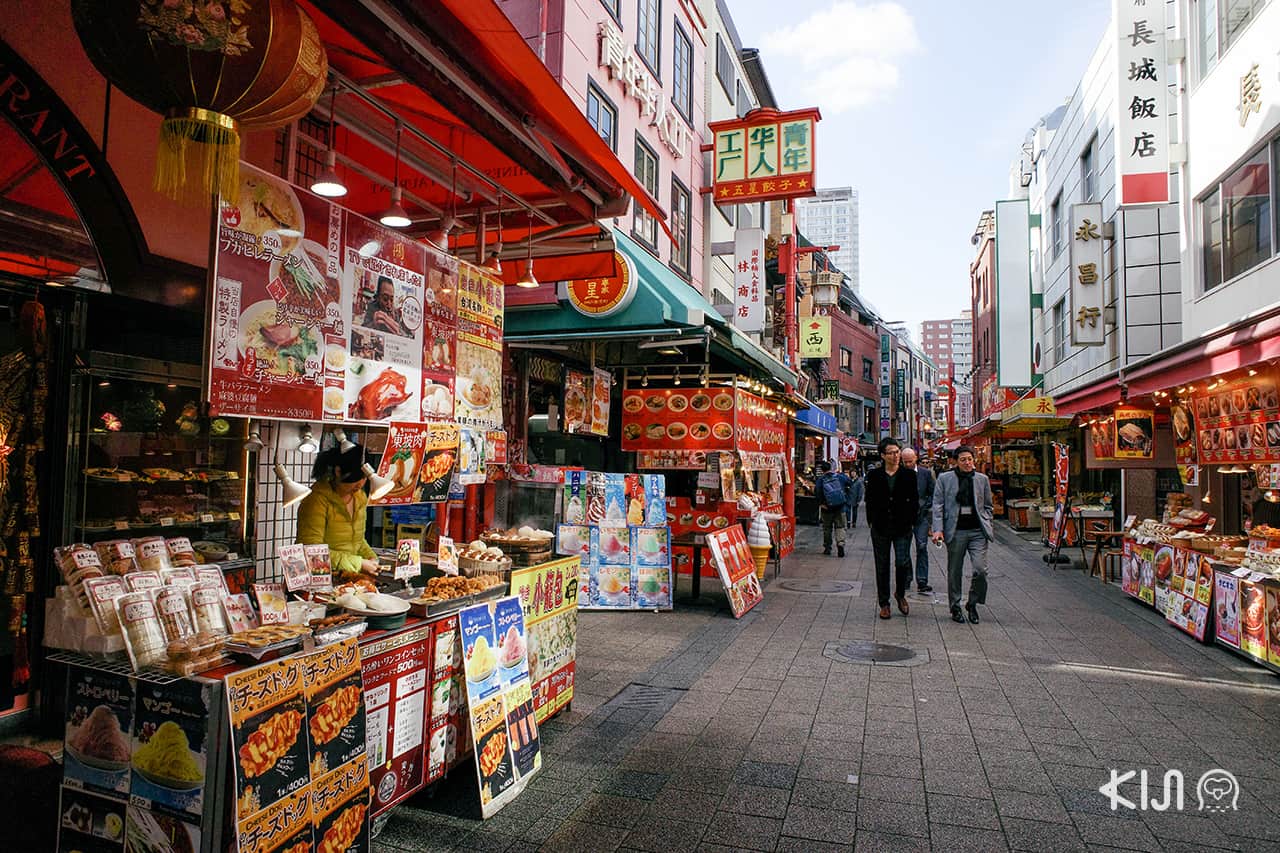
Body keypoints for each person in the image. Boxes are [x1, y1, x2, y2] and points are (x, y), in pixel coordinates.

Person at [297, 443, 380, 579]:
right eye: (355, 478)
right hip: (318, 579)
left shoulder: (359, 497)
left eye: (364, 478)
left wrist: (370, 557)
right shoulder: (316, 500)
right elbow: (311, 551)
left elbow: (357, 541)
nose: (360, 484)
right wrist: (358, 563)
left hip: (348, 578)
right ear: (338, 471)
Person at [931, 444, 994, 624]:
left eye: (970, 459)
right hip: (956, 530)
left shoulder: (982, 479)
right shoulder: (945, 479)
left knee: (980, 570)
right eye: (963, 460)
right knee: (954, 571)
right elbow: (937, 506)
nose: (967, 463)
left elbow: (988, 505)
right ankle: (955, 606)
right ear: (956, 462)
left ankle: (972, 603)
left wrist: (988, 522)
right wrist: (938, 529)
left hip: (977, 531)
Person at [864, 437, 918, 619]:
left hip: (903, 526)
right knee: (882, 565)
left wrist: (912, 520)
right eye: (891, 453)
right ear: (882, 455)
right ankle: (884, 603)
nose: (895, 456)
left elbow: (915, 500)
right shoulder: (874, 475)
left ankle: (900, 593)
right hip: (880, 526)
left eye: (897, 452)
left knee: (902, 562)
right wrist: (871, 520)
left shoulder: (909, 475)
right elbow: (869, 499)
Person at [900, 448, 936, 593]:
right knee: (904, 548)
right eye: (905, 462)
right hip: (905, 517)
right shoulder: (899, 473)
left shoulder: (926, 473)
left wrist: (926, 507)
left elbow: (933, 493)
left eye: (910, 461)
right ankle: (907, 578)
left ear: (916, 458)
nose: (908, 464)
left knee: (921, 546)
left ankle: (922, 580)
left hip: (921, 517)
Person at [815, 460, 852, 557]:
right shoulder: (839, 476)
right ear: (831, 468)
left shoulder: (820, 480)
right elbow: (850, 483)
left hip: (826, 508)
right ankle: (840, 544)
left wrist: (821, 503)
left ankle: (827, 547)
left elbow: (817, 493)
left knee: (827, 528)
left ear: (822, 470)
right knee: (840, 527)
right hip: (840, 507)